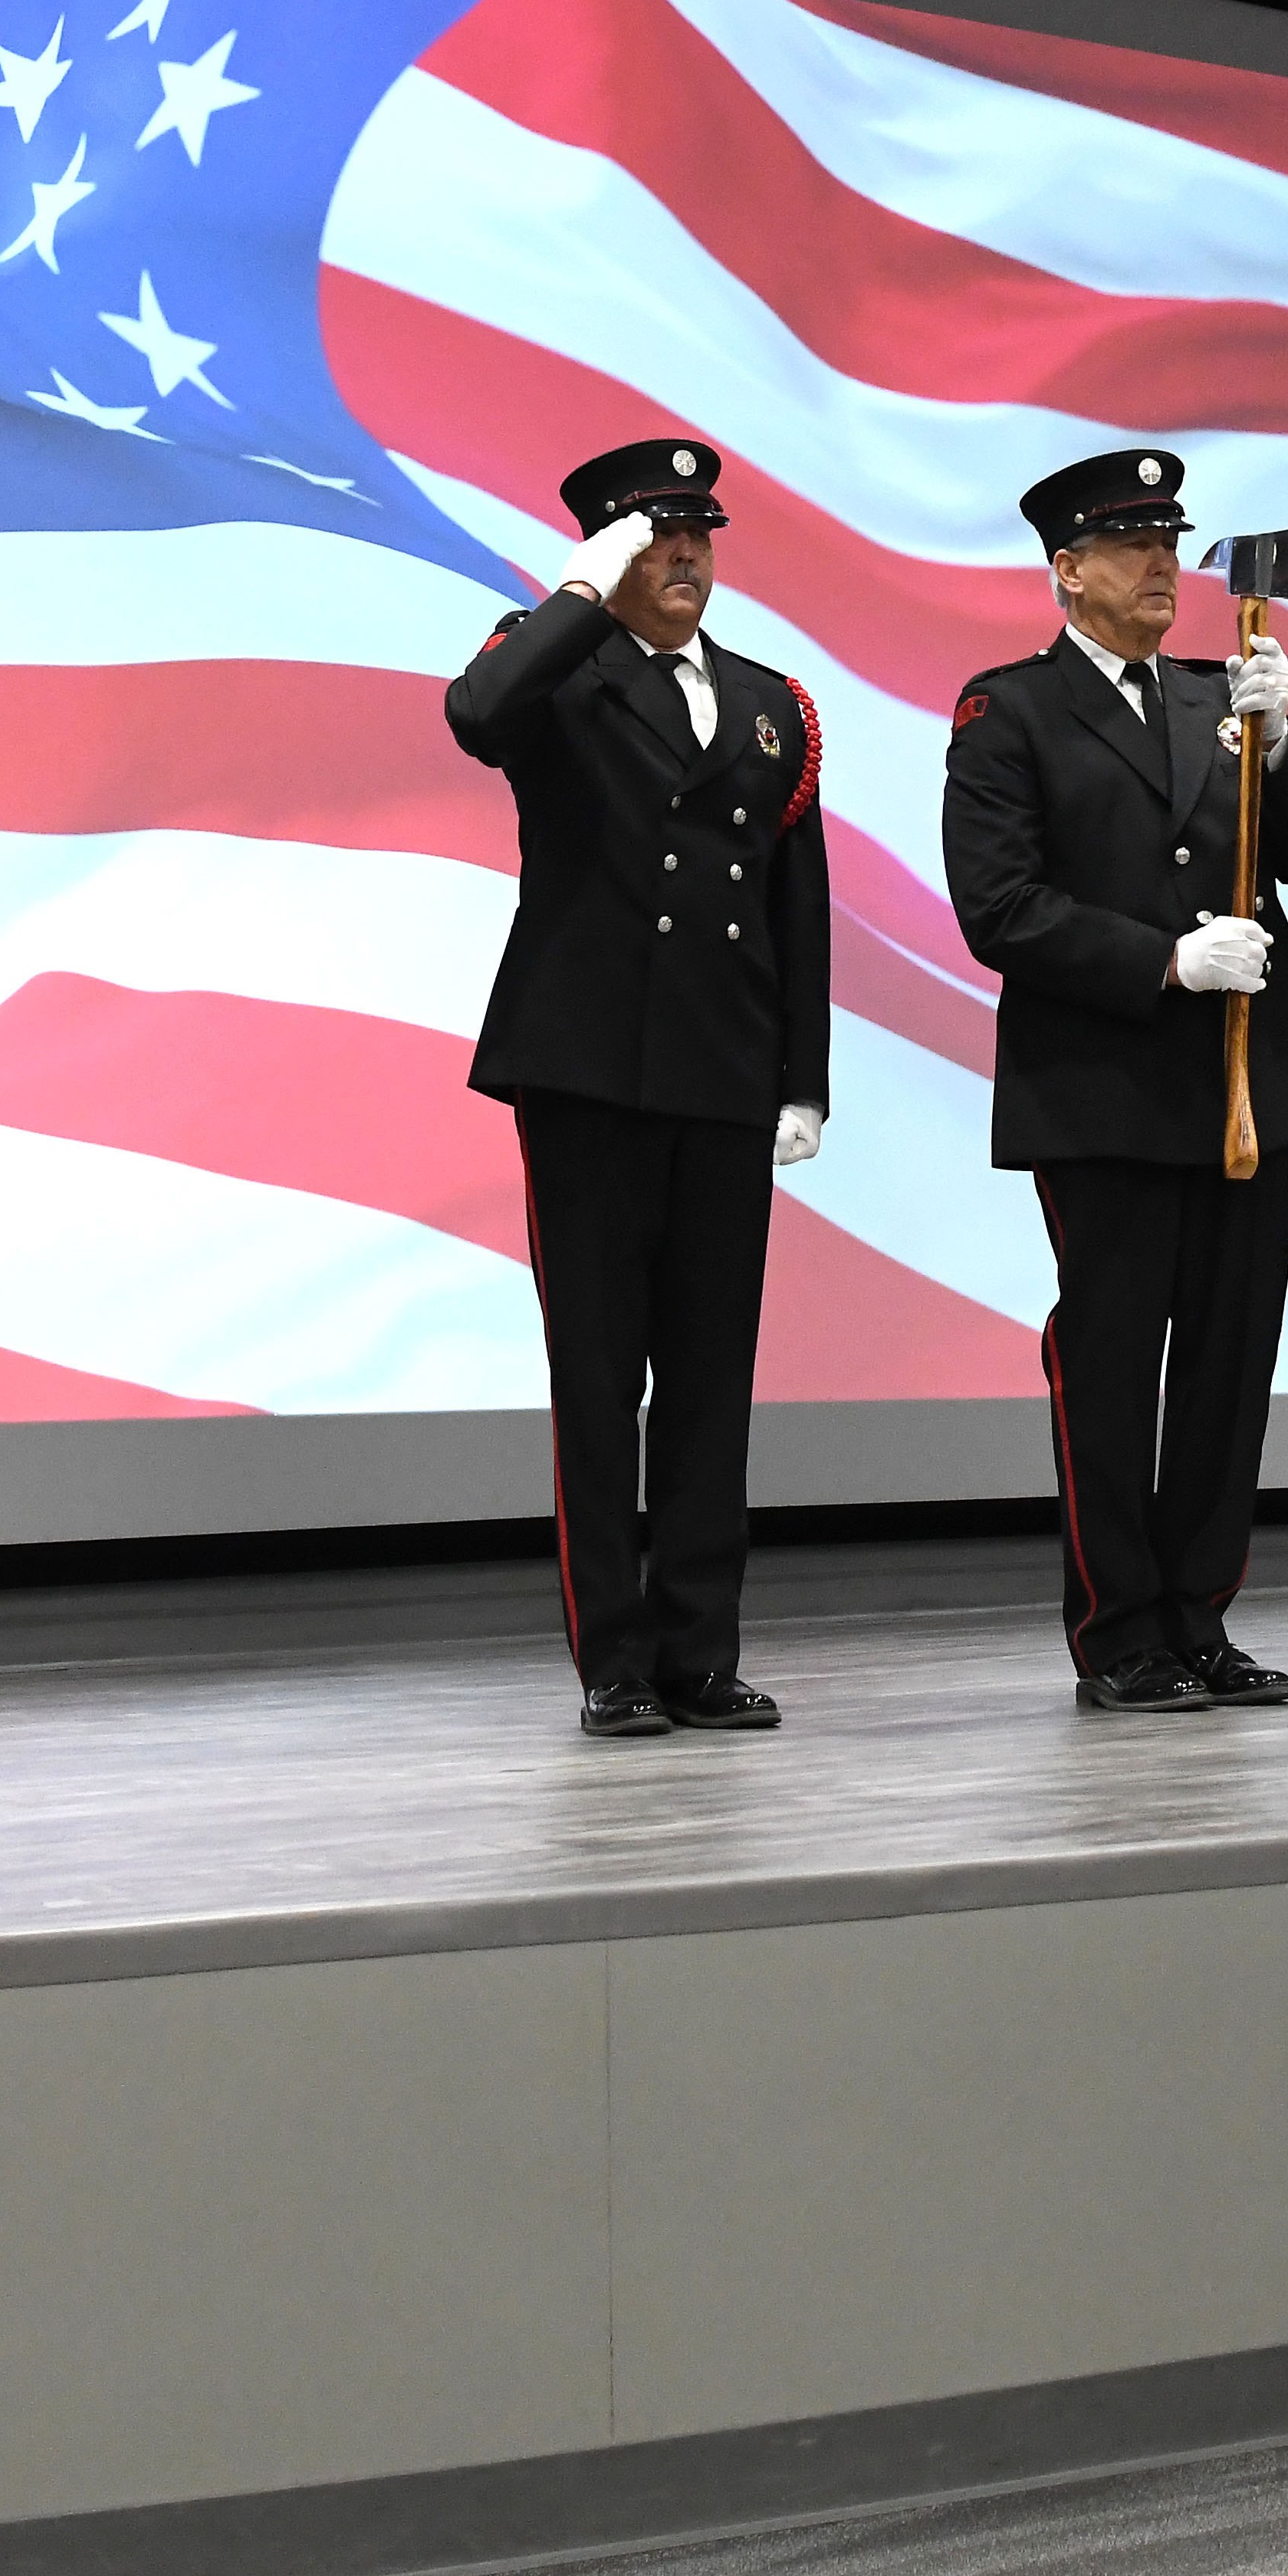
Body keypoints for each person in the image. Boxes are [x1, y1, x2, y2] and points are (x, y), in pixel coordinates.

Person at [941, 449, 1288, 1714]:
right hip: (1106, 1083)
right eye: (1131, 547)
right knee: (1115, 1366)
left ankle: (1199, 1616)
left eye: (1170, 544)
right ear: (1067, 571)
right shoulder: (1009, 711)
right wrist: (1163, 961)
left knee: (1230, 1366)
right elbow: (999, 907)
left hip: (1245, 1083)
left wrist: (1282, 748)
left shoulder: (1220, 695)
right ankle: (1120, 1628)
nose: (1161, 567)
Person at [448, 438, 832, 1739]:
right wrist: (575, 593)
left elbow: (795, 903)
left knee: (713, 1379)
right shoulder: (556, 666)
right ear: (607, 551)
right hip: (590, 1071)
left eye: (698, 536)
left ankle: (699, 1652)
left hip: (723, 1071)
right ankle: (614, 1656)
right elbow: (477, 715)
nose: (684, 558)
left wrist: (803, 1078)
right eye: (655, 537)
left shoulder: (772, 702)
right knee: (602, 1377)